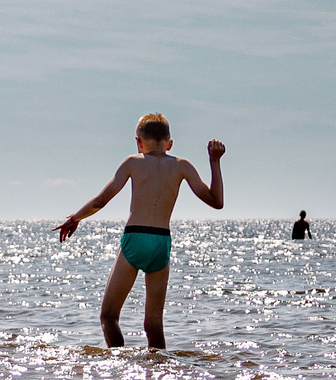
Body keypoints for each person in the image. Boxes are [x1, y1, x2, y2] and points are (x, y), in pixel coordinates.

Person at [56, 114, 225, 349]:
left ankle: (120, 365)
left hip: (135, 237)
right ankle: (159, 373)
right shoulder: (182, 166)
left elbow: (101, 200)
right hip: (161, 241)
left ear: (139, 142)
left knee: (108, 316)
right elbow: (217, 201)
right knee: (153, 324)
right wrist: (214, 160)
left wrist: (75, 218)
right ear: (170, 144)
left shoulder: (133, 162)